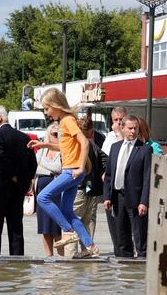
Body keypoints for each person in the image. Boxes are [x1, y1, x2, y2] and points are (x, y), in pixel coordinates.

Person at [29, 89, 101, 257]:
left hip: (72, 171)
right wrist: (44, 145)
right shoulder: (63, 122)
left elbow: (85, 143)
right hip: (72, 170)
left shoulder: (68, 120)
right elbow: (65, 147)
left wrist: (81, 167)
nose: (46, 113)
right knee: (67, 211)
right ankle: (90, 246)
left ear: (56, 105)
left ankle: (69, 232)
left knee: (42, 197)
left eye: (47, 109)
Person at [0, 106, 37, 255]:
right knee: (16, 229)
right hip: (17, 188)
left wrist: (12, 174)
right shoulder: (24, 137)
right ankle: (18, 261)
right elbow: (32, 164)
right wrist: (24, 181)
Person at [103, 115, 152, 257]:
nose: (133, 131)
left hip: (136, 199)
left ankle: (142, 266)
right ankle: (124, 268)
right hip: (118, 197)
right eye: (130, 128)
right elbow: (109, 175)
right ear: (122, 128)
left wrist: (144, 202)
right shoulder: (115, 147)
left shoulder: (144, 149)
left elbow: (147, 178)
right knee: (121, 236)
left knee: (139, 236)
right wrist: (107, 196)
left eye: (135, 128)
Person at [64, 116, 108, 259]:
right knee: (88, 222)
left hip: (77, 188)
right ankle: (87, 252)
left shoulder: (75, 144)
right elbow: (106, 160)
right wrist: (101, 175)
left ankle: (70, 256)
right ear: (90, 131)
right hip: (92, 190)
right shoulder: (92, 144)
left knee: (72, 221)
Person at [34, 122, 63, 256]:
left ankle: (62, 256)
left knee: (57, 227)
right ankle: (48, 257)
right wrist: (49, 169)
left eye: (59, 134)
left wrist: (43, 165)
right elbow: (35, 168)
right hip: (41, 192)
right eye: (54, 134)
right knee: (45, 228)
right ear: (49, 135)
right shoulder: (41, 151)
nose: (57, 136)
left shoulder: (63, 152)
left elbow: (59, 168)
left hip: (57, 194)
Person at [101, 106, 126, 255]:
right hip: (110, 184)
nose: (118, 123)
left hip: (124, 185)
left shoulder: (127, 135)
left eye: (120, 120)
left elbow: (123, 151)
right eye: (115, 120)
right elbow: (104, 157)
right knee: (112, 220)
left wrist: (119, 133)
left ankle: (125, 251)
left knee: (124, 223)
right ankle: (117, 251)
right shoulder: (109, 137)